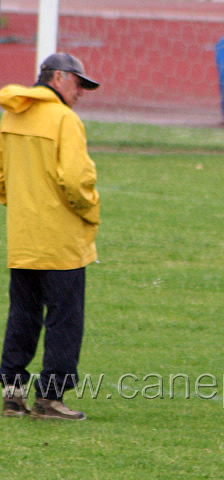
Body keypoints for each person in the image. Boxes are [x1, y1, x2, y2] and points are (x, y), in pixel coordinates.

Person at [0, 52, 101, 420]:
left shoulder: (11, 115)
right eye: (79, 83)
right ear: (58, 78)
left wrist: (24, 205)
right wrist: (90, 210)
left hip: (23, 237)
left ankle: (12, 394)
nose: (82, 92)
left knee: (23, 314)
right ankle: (50, 398)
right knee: (64, 318)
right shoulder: (64, 119)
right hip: (60, 240)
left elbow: (1, 177)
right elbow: (76, 180)